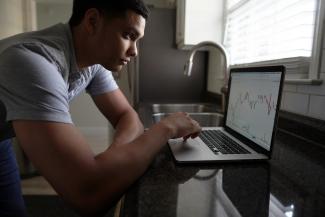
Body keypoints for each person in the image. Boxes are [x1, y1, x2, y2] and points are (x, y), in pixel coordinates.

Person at [0, 0, 201, 216]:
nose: (135, 51)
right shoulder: (31, 61)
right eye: (128, 35)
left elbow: (128, 117)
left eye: (137, 40)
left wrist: (112, 160)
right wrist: (166, 128)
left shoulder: (93, 62)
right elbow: (87, 194)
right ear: (93, 21)